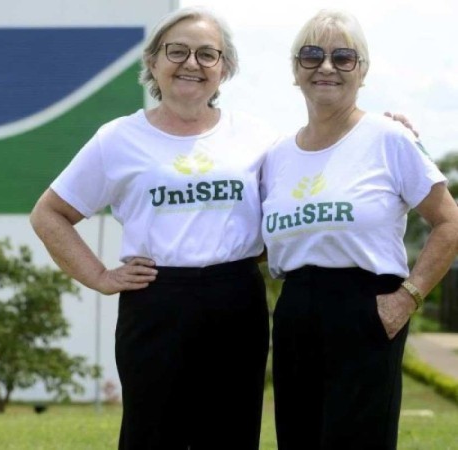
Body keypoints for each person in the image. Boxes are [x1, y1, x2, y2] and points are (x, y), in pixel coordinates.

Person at [30, 6, 274, 449]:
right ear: (153, 63)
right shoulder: (118, 139)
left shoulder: (258, 136)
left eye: (207, 54)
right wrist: (101, 277)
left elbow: (308, 184)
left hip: (236, 299)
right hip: (156, 301)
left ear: (225, 69)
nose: (191, 64)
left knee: (232, 433)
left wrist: (386, 131)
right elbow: (49, 214)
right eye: (176, 51)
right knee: (151, 436)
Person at [260, 9, 458, 450]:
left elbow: (451, 222)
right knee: (298, 438)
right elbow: (263, 241)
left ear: (362, 71)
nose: (326, 67)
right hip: (295, 309)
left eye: (343, 57)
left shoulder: (389, 138)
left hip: (367, 307)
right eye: (312, 55)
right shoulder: (276, 155)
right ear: (295, 69)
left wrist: (407, 298)